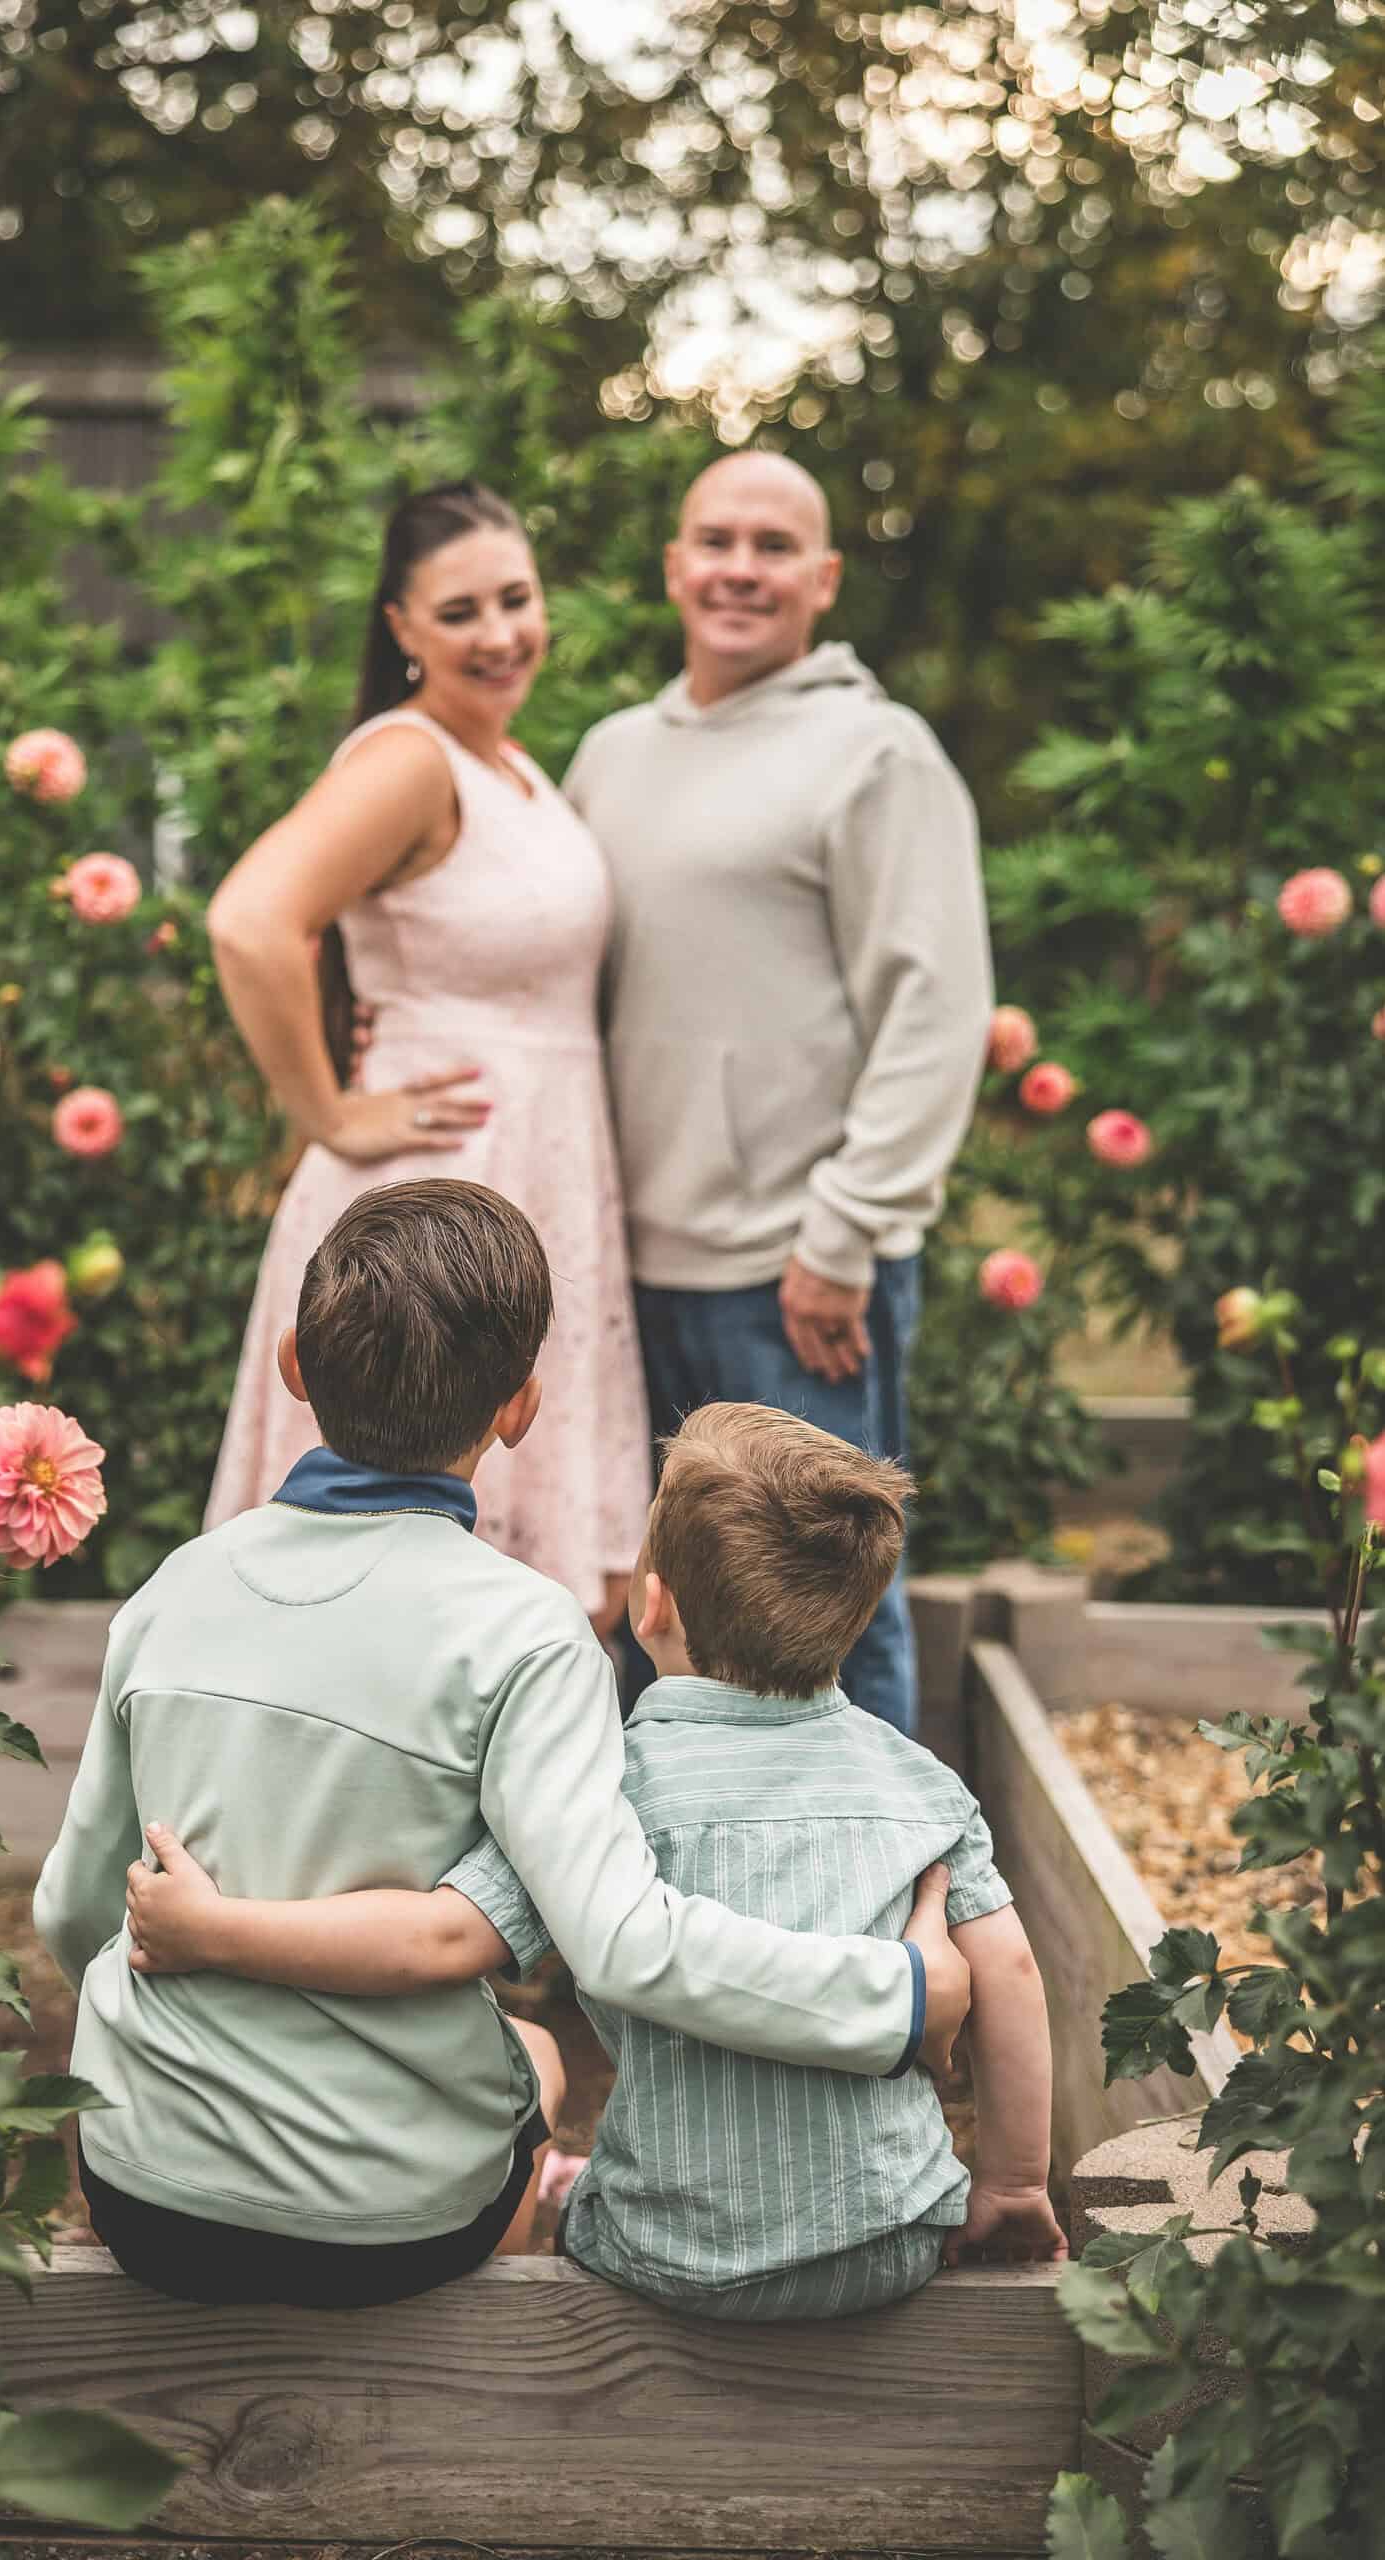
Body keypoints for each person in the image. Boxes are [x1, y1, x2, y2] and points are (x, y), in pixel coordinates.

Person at [34, 1182, 969, 2310]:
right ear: (520, 1407)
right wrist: (902, 1994)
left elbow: (71, 1915)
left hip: (145, 2200)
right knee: (537, 2060)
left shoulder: (169, 1592)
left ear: (291, 1362)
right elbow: (621, 1948)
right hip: (386, 2228)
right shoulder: (531, 1636)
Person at [126, 1402, 1064, 2322]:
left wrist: (220, 1930)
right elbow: (1010, 1973)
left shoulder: (608, 1784)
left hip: (666, 2252)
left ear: (649, 1606)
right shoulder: (921, 1788)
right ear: (852, 1621)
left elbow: (440, 1936)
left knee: (559, 2177)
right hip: (888, 2242)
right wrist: (1013, 2184)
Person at [571, 451, 994, 1730]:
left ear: (822, 578)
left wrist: (845, 1231)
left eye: (772, 545)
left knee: (829, 1616)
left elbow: (938, 1006)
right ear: (673, 566)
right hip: (630, 1270)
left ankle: (881, 1913)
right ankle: (693, 1900)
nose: (739, 567)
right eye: (715, 539)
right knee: (665, 1614)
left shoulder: (876, 753)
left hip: (795, 1279)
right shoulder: (609, 753)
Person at [202, 478, 647, 1637]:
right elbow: (250, 922)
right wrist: (334, 1113)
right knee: (375, 1586)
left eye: (517, 598)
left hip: (540, 1177)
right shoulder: (409, 761)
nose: (499, 634)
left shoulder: (516, 767)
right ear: (400, 627)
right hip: (438, 1192)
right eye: (460, 612)